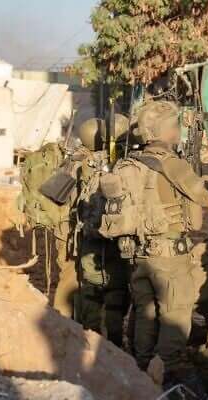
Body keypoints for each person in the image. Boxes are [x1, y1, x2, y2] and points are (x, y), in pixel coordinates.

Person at [128, 101, 208, 389]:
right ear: (164, 130)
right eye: (175, 125)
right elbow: (203, 197)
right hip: (169, 256)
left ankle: (141, 371)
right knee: (175, 316)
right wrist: (207, 180)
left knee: (146, 314)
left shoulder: (130, 163)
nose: (178, 130)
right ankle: (171, 374)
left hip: (139, 254)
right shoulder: (171, 163)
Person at [74, 116, 132, 347]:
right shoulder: (127, 165)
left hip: (90, 241)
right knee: (116, 297)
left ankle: (89, 343)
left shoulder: (81, 164)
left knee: (90, 294)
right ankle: (115, 347)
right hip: (117, 242)